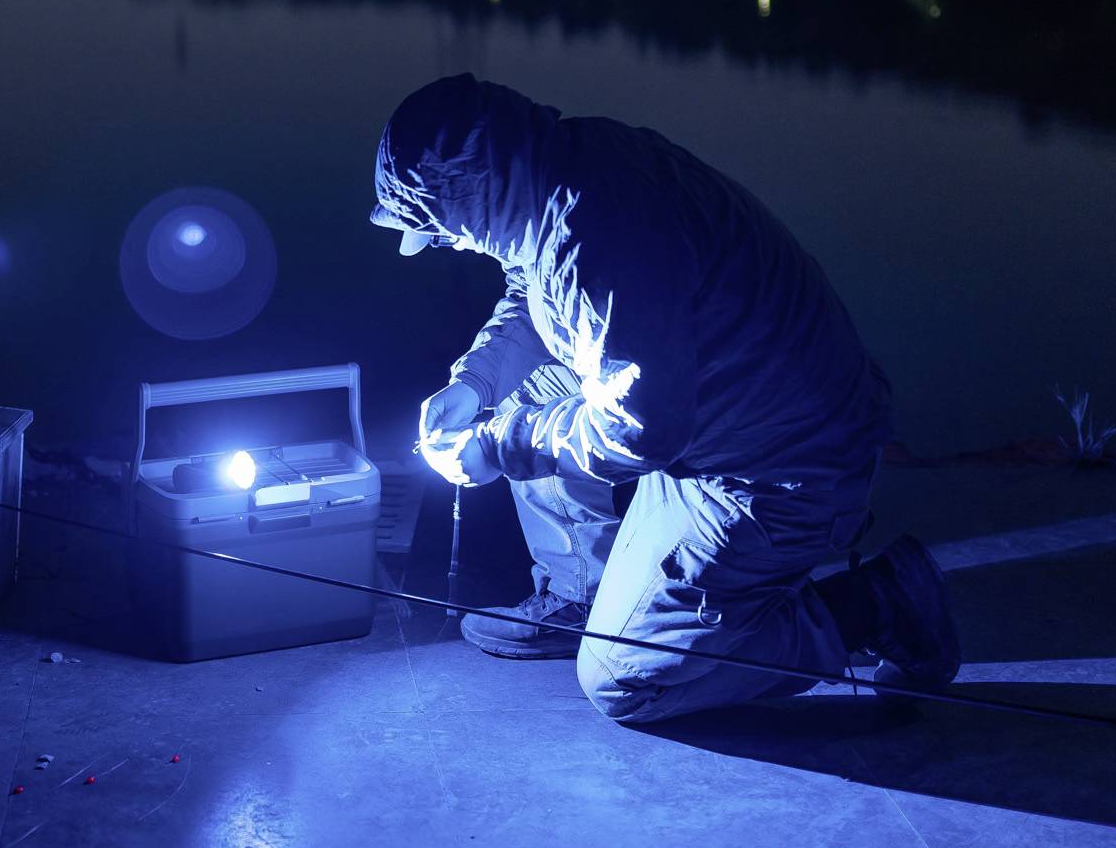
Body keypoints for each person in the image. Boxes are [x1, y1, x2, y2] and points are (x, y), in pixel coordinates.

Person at [372, 74, 959, 724]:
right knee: (516, 402)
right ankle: (586, 594)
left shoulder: (594, 235)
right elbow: (532, 294)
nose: (449, 244)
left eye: (442, 228)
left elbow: (641, 428)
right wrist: (474, 383)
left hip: (781, 471)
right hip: (715, 418)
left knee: (622, 682)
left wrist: (500, 441)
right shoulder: (562, 168)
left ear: (473, 194)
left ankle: (874, 606)